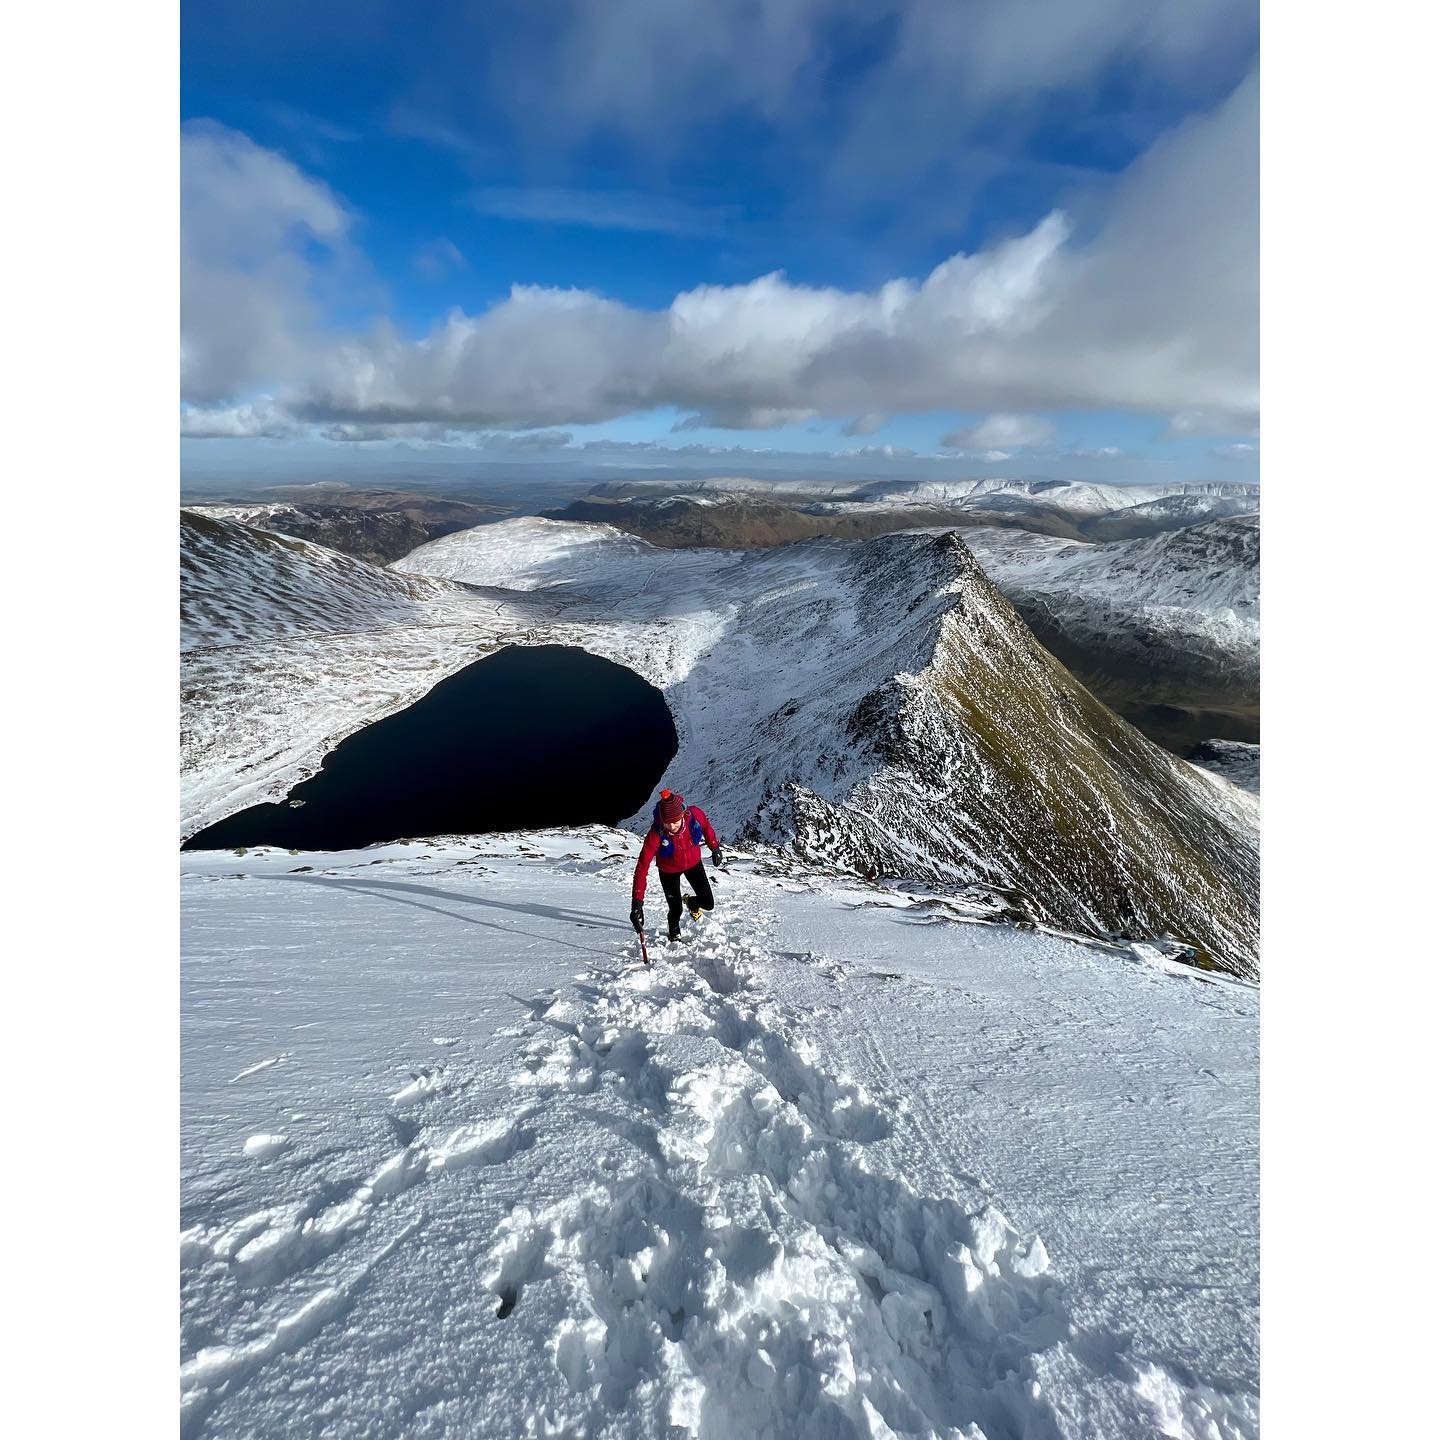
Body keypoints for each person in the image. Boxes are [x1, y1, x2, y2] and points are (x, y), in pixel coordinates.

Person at [630, 788, 724, 943]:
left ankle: (692, 902)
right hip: (668, 871)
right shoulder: (656, 833)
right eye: (667, 823)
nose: (672, 826)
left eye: (675, 821)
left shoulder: (694, 815)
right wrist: (637, 903)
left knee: (708, 903)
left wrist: (714, 847)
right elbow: (642, 867)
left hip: (693, 864)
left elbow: (706, 827)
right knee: (676, 909)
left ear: (682, 815)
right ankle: (674, 931)